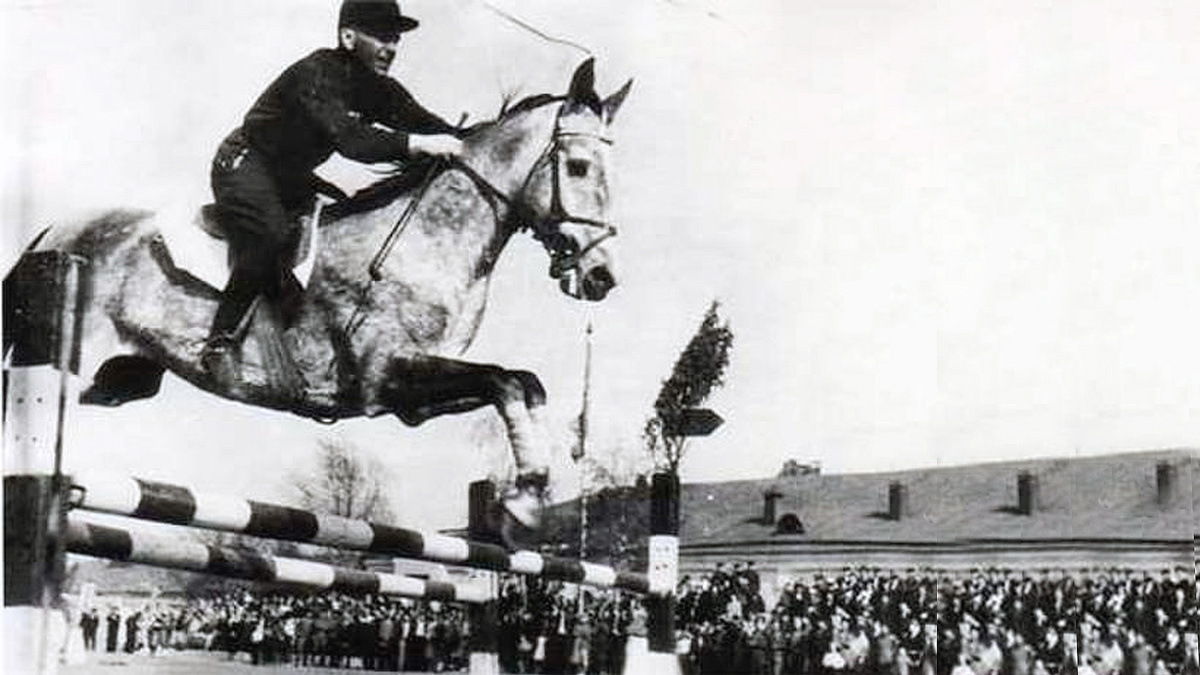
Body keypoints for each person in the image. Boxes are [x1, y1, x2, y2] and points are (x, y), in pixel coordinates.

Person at [202, 0, 465, 389]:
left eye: (395, 39)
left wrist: (473, 141)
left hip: (287, 175)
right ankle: (220, 343)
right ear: (348, 36)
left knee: (343, 221)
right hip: (245, 163)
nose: (390, 47)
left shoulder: (380, 89)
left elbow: (425, 122)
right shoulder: (318, 72)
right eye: (381, 36)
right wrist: (419, 145)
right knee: (271, 233)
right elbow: (352, 141)